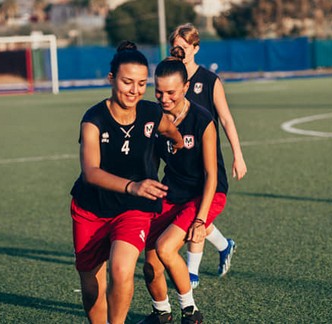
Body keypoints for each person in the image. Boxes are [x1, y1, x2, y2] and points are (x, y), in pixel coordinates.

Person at [69, 41, 183, 324]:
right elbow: (90, 172)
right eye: (127, 82)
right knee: (91, 287)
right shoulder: (93, 119)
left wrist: (178, 143)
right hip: (90, 208)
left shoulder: (150, 113)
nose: (134, 90)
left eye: (142, 83)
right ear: (111, 79)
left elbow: (170, 128)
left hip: (133, 208)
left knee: (121, 271)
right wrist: (132, 185)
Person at [139, 47, 221, 324]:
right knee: (150, 260)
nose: (164, 98)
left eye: (171, 92)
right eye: (159, 92)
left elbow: (212, 175)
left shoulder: (202, 120)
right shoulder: (153, 117)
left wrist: (200, 220)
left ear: (186, 87)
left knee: (165, 248)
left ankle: (191, 312)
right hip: (171, 191)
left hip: (205, 193)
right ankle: (161, 313)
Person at [169, 23, 247, 288]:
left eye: (184, 48)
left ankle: (191, 275)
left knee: (197, 215)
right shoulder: (172, 80)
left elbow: (225, 118)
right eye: (175, 47)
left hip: (206, 162)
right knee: (189, 213)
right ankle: (225, 246)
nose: (180, 52)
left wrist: (238, 155)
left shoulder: (209, 81)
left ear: (195, 48)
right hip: (180, 164)